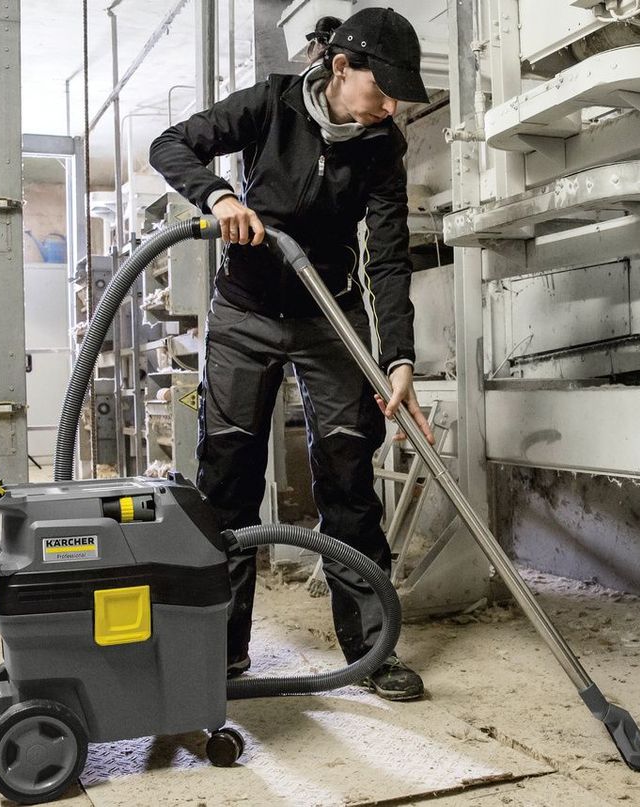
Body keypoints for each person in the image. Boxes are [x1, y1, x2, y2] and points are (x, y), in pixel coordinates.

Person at [150, 8, 435, 701]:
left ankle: (371, 649)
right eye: (381, 90)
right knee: (228, 476)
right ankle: (221, 651)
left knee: (348, 472)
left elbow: (387, 259)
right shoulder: (271, 105)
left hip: (327, 313)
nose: (390, 108)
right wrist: (219, 195)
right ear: (341, 68)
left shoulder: (382, 145)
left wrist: (399, 358)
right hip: (245, 312)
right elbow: (170, 145)